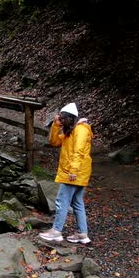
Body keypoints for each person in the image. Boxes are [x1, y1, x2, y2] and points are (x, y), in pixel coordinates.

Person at [39, 103, 93, 244]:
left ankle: (56, 231)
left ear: (70, 118)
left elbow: (79, 152)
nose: (61, 121)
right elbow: (54, 142)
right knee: (77, 203)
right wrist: (56, 125)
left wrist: (73, 171)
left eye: (63, 119)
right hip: (77, 172)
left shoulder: (81, 130)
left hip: (74, 173)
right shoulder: (71, 131)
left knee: (61, 201)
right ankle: (82, 234)